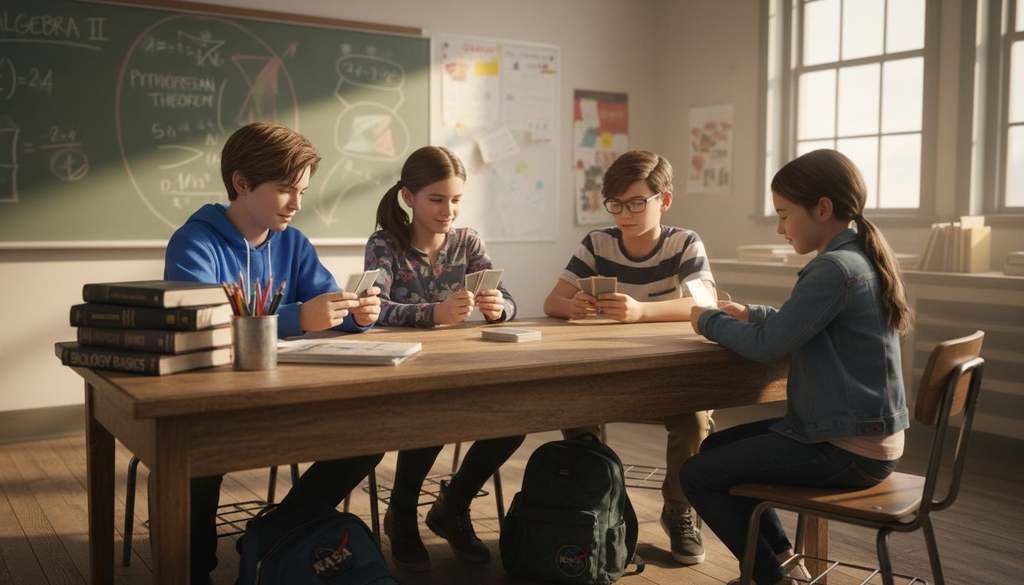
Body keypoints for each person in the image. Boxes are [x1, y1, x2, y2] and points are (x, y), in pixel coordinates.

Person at [164, 121, 384, 585]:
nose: (298, 204)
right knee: (196, 462)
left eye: (302, 190)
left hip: (289, 393)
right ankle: (193, 570)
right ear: (241, 184)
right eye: (286, 190)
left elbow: (324, 306)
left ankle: (276, 531)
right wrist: (298, 318)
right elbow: (203, 323)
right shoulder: (194, 243)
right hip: (214, 400)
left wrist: (357, 315)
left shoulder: (293, 242)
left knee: (366, 439)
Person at [683, 149, 913, 585]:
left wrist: (707, 319)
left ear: (822, 209)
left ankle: (769, 579)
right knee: (714, 452)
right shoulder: (858, 257)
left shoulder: (832, 268)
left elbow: (771, 347)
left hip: (847, 448)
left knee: (696, 475)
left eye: (785, 214)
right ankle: (787, 564)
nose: (779, 227)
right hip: (864, 437)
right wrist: (750, 313)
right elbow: (802, 326)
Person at [543, 149, 717, 566]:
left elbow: (706, 303)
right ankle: (606, 505)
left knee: (693, 418)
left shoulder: (683, 243)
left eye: (637, 202)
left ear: (664, 200)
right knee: (576, 408)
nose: (625, 213)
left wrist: (642, 311)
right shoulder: (598, 243)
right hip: (612, 371)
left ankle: (679, 510)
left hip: (671, 372)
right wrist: (575, 307)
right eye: (616, 204)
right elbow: (553, 301)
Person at [364, 145, 525, 572]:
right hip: (405, 371)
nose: (448, 210)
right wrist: (431, 314)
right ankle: (401, 513)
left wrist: (497, 308)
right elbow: (373, 309)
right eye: (437, 199)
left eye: (455, 199)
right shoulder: (385, 244)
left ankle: (453, 502)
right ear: (408, 196)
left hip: (465, 365)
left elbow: (508, 300)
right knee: (432, 420)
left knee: (517, 419)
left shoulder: (468, 241)